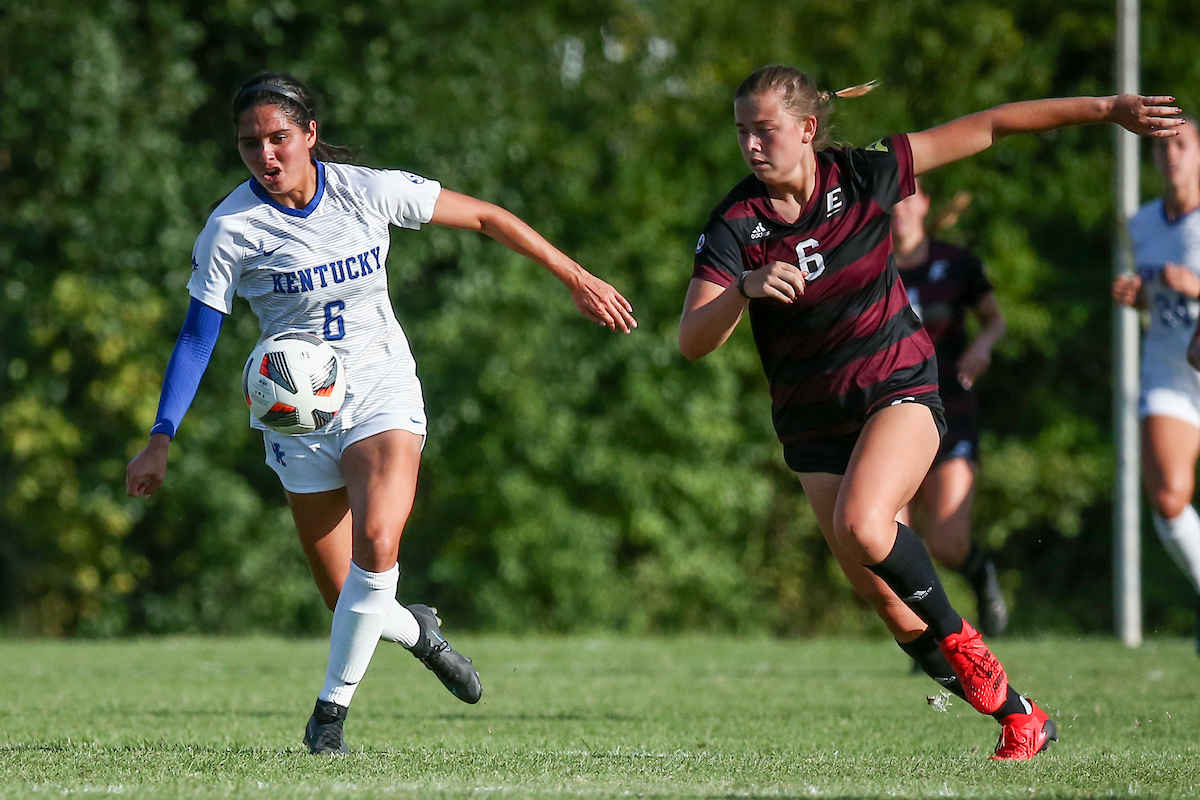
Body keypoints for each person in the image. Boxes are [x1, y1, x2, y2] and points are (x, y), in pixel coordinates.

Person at [126, 72, 637, 755]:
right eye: (250, 144)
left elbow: (486, 216)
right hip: (296, 419)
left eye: (279, 138)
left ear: (309, 135)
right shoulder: (231, 230)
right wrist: (161, 437)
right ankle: (417, 630)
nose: (266, 155)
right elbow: (197, 337)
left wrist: (575, 276)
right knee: (350, 604)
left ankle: (327, 718)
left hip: (380, 394)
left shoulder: (365, 190)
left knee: (381, 545)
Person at [680, 64, 1181, 760]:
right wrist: (744, 286)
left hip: (899, 388)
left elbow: (992, 125)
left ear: (807, 129)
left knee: (864, 522)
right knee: (889, 604)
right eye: (742, 134)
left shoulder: (864, 174)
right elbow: (693, 340)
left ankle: (978, 652)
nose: (751, 146)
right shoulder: (736, 225)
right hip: (811, 423)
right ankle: (1021, 714)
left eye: (764, 131)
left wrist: (1106, 107)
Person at [892, 182, 1009, 637]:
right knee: (887, 538)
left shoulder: (957, 263)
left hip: (950, 411)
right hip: (887, 414)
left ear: (924, 204)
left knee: (946, 541)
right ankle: (929, 639)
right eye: (891, 201)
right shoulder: (868, 265)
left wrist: (983, 344)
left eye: (908, 199)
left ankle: (981, 575)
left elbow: (995, 319)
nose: (898, 210)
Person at [1118, 119, 1200, 650]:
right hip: (1171, 372)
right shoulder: (1142, 222)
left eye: (1183, 145)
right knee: (1169, 496)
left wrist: (1196, 285)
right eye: (1162, 148)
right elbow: (1160, 302)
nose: (1171, 156)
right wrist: (1140, 296)